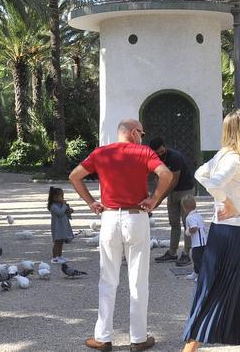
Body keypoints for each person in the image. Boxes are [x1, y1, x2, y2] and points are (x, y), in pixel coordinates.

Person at [70, 119, 173, 352]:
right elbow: (165, 175)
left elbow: (74, 176)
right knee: (138, 281)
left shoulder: (101, 153)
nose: (142, 137)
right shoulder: (143, 152)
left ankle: (103, 337)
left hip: (109, 218)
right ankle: (137, 338)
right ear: (134, 132)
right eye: (141, 133)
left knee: (108, 280)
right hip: (136, 217)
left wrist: (90, 202)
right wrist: (154, 199)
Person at [183, 110, 240, 351]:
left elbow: (200, 173)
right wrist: (227, 202)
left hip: (232, 231)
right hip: (233, 232)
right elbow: (214, 182)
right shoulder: (234, 159)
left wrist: (230, 199)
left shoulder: (226, 154)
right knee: (217, 292)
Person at [149, 136, 196, 268]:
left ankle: (186, 253)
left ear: (164, 146)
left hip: (185, 190)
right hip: (172, 192)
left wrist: (158, 200)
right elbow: (157, 179)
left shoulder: (175, 157)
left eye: (161, 151)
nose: (159, 154)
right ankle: (172, 252)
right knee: (174, 222)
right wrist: (153, 196)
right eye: (156, 153)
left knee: (188, 222)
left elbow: (173, 181)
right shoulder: (154, 158)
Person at [181, 196, 208, 280]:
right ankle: (196, 272)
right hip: (204, 241)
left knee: (197, 259)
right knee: (198, 258)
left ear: (185, 208)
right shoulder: (198, 215)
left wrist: (188, 231)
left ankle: (200, 275)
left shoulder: (190, 217)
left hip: (197, 243)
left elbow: (194, 228)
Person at [48, 187, 74, 264]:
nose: (63, 198)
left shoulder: (61, 205)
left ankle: (59, 256)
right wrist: (64, 206)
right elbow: (60, 213)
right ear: (55, 197)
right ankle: (54, 257)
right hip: (57, 227)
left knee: (61, 241)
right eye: (61, 196)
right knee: (57, 242)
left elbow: (65, 213)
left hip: (63, 226)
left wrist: (70, 210)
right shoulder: (53, 206)